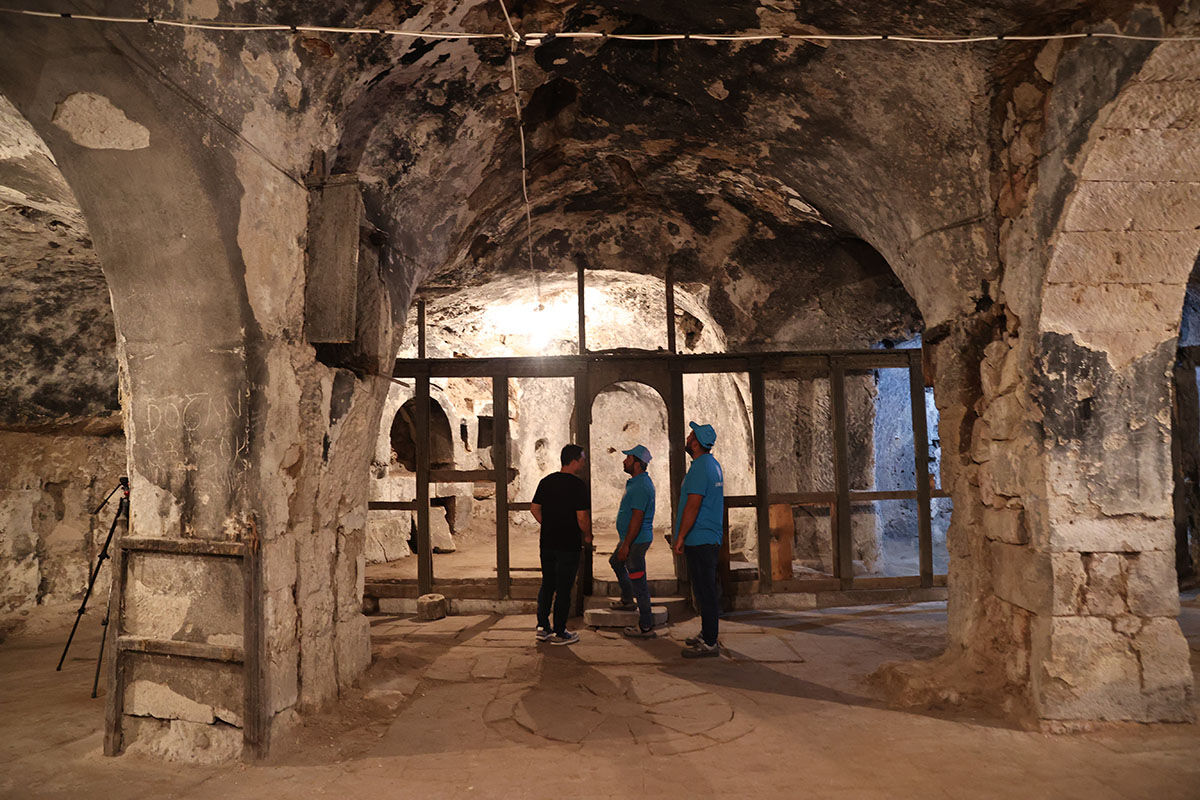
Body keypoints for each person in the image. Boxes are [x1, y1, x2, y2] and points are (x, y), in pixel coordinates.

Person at [672, 421, 724, 658]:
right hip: (707, 537)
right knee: (705, 590)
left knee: (705, 591)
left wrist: (680, 536)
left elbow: (693, 506)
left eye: (690, 435)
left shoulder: (700, 468)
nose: (687, 437)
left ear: (696, 442)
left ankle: (711, 642)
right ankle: (707, 634)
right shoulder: (712, 465)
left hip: (700, 538)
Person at [530, 444, 591, 645]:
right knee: (564, 588)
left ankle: (542, 627)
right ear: (573, 460)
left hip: (547, 542)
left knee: (548, 583)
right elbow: (582, 517)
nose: (583, 461)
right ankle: (560, 631)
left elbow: (534, 508)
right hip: (568, 544)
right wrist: (588, 536)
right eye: (582, 458)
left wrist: (548, 524)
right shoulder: (578, 485)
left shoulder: (546, 481)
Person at [608, 444, 657, 638]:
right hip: (631, 538)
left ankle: (646, 625)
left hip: (635, 541)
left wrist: (626, 545)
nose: (624, 461)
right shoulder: (637, 482)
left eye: (628, 459)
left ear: (637, 463)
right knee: (615, 562)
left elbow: (637, 518)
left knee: (639, 582)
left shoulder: (641, 486)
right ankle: (627, 600)